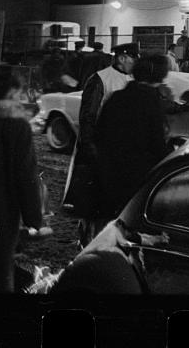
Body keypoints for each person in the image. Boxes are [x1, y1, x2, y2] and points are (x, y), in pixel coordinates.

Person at [0, 64, 46, 292]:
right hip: (0, 213)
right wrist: (34, 219)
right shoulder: (16, 125)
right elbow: (26, 176)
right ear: (13, 91)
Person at [64, 42, 138, 246]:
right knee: (93, 199)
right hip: (100, 149)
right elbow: (88, 115)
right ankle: (87, 239)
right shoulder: (100, 79)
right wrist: (89, 146)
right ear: (122, 57)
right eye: (133, 57)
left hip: (118, 150)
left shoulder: (132, 79)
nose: (135, 62)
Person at [94, 54, 172, 221]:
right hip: (138, 178)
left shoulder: (116, 98)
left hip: (109, 174)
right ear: (159, 76)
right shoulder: (151, 101)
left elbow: (99, 134)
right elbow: (156, 143)